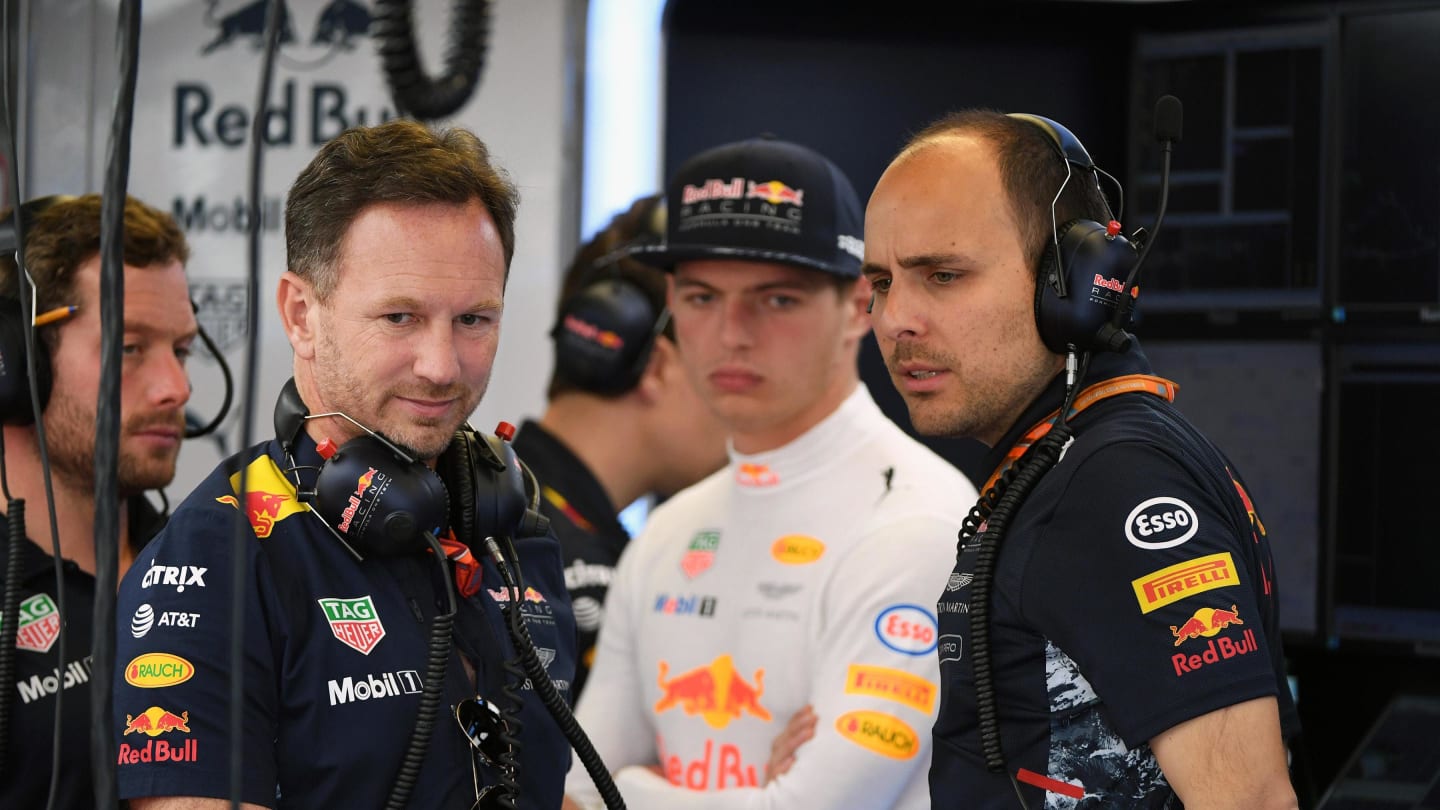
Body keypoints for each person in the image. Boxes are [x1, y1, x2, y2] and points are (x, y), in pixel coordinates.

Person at [112, 119, 576, 809]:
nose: (442, 366)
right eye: (399, 318)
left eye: (474, 319)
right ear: (301, 313)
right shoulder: (219, 557)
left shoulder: (513, 528)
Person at [862, 109, 1301, 807]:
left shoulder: (1117, 479)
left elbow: (1251, 800)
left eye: (942, 276)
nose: (894, 319)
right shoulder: (1068, 462)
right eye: (881, 283)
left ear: (1073, 285)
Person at [563, 136, 977, 810]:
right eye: (700, 298)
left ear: (856, 307)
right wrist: (755, 792)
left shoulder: (917, 523)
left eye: (775, 300)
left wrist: (637, 791)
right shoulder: (668, 533)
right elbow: (575, 795)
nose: (732, 333)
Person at [0, 194, 197, 809]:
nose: (177, 387)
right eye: (130, 347)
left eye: (182, 350)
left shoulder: (211, 562)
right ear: (15, 364)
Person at [513, 194, 728, 698]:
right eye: (726, 365)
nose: (744, 396)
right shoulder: (579, 575)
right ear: (657, 367)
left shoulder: (496, 502)